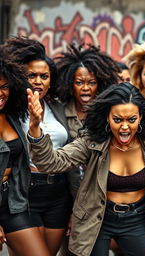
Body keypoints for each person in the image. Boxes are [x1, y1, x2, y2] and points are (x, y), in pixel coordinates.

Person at [27, 82, 145, 256]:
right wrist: (35, 128)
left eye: (131, 119)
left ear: (141, 118)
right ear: (107, 117)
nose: (124, 127)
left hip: (137, 219)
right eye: (117, 119)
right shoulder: (92, 142)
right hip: (96, 218)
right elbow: (50, 163)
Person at [5, 36, 72, 255]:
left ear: (51, 81)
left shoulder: (59, 109)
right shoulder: (10, 111)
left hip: (58, 193)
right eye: (31, 75)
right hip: (25, 190)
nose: (38, 81)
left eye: (44, 76)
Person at [55, 43, 120, 255]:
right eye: (79, 82)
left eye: (91, 82)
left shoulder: (108, 112)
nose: (85, 88)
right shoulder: (60, 112)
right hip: (66, 193)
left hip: (103, 194)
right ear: (69, 84)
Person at [0, 45, 50, 255]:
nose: (0, 93)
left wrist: (35, 124)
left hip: (11, 202)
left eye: (4, 86)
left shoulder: (10, 115)